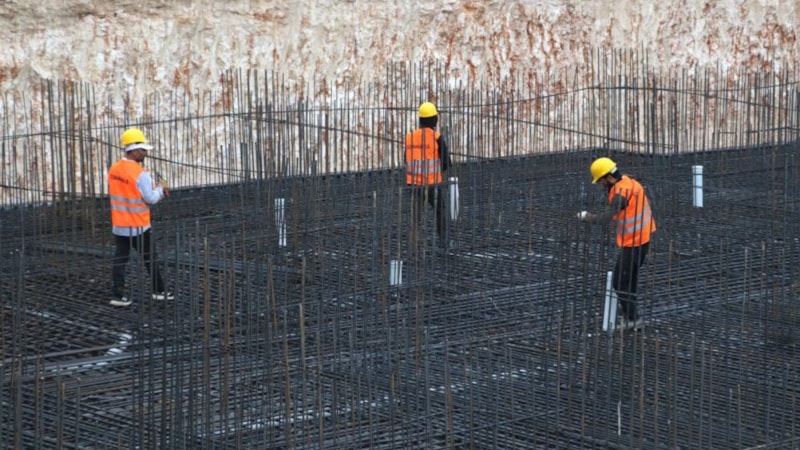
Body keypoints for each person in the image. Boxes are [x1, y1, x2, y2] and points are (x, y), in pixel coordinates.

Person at [577, 157, 656, 330]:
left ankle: (633, 319)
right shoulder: (629, 182)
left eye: (601, 181)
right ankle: (630, 309)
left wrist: (586, 217)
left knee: (619, 282)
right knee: (630, 279)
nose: (601, 185)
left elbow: (605, 219)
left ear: (607, 177)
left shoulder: (621, 193)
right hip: (642, 239)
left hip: (634, 242)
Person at [108, 128, 174, 306]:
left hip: (120, 224)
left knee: (120, 259)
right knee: (150, 257)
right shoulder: (140, 173)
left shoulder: (113, 169)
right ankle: (159, 291)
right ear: (134, 150)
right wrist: (161, 190)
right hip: (138, 226)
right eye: (143, 150)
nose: (145, 153)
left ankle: (117, 294)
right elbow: (150, 198)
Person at [404, 102, 452, 250]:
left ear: (420, 120)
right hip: (433, 184)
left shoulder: (410, 137)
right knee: (441, 210)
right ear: (435, 120)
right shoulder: (437, 137)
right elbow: (446, 162)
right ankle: (444, 242)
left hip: (414, 184)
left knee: (415, 216)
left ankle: (413, 246)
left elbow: (406, 159)